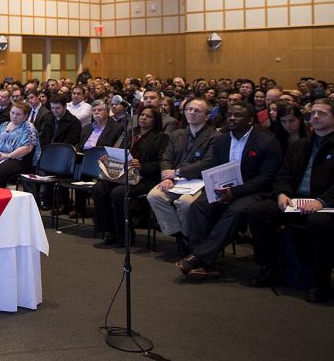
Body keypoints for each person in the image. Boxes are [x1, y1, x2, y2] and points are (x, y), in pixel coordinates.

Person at [176, 102, 281, 280]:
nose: (232, 118)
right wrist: (219, 189)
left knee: (236, 211)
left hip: (255, 192)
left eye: (238, 115)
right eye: (230, 114)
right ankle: (205, 263)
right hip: (226, 188)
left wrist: (235, 192)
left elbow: (266, 178)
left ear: (250, 120)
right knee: (198, 206)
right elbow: (217, 168)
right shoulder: (222, 140)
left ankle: (199, 258)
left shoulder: (267, 141)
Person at [246, 98, 334, 302]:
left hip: (326, 205)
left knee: (318, 222)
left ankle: (319, 282)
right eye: (313, 113)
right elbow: (283, 175)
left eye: (322, 113)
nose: (316, 117)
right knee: (258, 212)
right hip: (296, 201)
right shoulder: (300, 146)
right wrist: (281, 194)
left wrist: (322, 201)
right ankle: (270, 267)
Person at [146, 97, 220, 252]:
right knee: (155, 196)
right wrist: (168, 178)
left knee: (186, 204)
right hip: (177, 180)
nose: (191, 113)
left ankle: (188, 238)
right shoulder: (177, 134)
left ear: (206, 116)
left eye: (197, 110)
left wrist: (177, 172)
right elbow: (166, 158)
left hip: (200, 181)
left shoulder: (214, 137)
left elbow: (207, 163)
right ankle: (180, 234)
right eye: (189, 109)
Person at [93, 107, 168, 248]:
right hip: (124, 175)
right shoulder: (131, 133)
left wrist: (142, 165)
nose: (143, 118)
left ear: (155, 120)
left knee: (118, 193)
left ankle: (125, 234)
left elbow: (161, 163)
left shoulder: (161, 137)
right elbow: (121, 155)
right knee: (98, 188)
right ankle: (110, 230)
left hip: (146, 178)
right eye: (142, 115)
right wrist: (109, 159)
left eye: (148, 116)